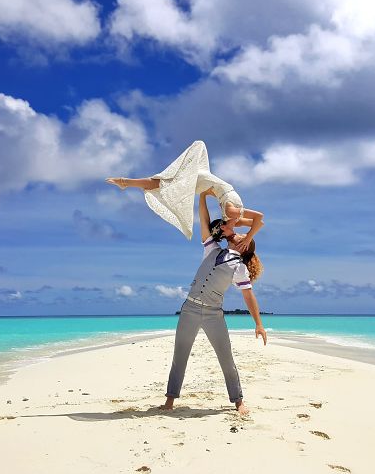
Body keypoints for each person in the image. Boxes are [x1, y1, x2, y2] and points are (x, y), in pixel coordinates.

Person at [159, 190, 267, 415]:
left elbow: (249, 296)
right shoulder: (212, 248)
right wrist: (202, 197)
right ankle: (169, 401)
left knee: (225, 357)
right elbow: (205, 221)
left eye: (242, 236)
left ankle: (238, 401)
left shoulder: (240, 268)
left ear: (245, 246)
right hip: (189, 309)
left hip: (213, 315)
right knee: (180, 355)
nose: (237, 234)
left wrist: (258, 324)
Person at [106, 140, 264, 244]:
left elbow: (258, 222)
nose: (235, 234)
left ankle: (125, 182)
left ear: (223, 228)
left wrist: (248, 237)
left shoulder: (232, 216)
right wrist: (248, 239)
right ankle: (125, 182)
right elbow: (259, 219)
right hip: (204, 181)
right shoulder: (233, 216)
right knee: (162, 184)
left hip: (205, 184)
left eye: (228, 236)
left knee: (162, 184)